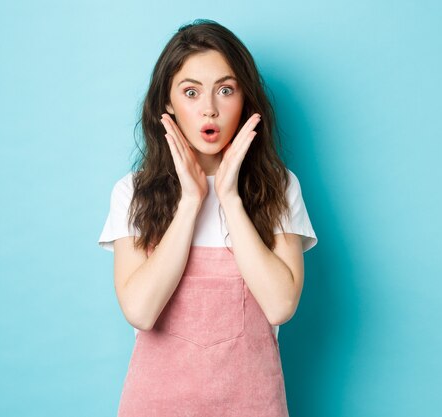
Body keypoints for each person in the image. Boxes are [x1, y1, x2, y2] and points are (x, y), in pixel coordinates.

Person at [98, 19, 317, 417]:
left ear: (245, 100)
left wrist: (229, 197)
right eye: (191, 92)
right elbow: (140, 311)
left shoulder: (279, 187)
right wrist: (191, 202)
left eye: (225, 90)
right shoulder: (131, 193)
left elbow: (281, 304)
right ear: (168, 103)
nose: (209, 109)